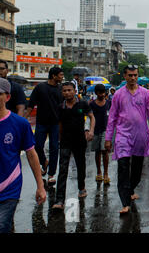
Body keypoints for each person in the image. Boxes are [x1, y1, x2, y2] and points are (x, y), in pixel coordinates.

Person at [105, 65, 149, 215]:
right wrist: (108, 137)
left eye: (135, 75)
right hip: (123, 136)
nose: (133, 78)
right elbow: (112, 117)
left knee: (137, 170)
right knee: (123, 167)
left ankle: (130, 189)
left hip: (140, 136)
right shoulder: (118, 94)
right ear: (125, 76)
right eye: (130, 75)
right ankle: (125, 203)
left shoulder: (145, 93)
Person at [0, 78, 46, 233]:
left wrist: (40, 186)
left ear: (7, 97)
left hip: (9, 185)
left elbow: (31, 155)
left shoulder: (20, 123)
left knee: (2, 225)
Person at [52, 82, 95, 210]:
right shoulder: (60, 107)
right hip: (65, 141)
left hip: (80, 140)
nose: (67, 93)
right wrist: (59, 138)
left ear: (74, 91)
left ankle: (81, 187)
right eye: (64, 91)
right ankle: (60, 200)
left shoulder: (82, 104)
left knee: (81, 166)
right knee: (63, 169)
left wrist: (91, 131)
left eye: (69, 90)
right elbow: (59, 124)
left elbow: (91, 117)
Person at [25, 67, 64, 185]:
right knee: (37, 146)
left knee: (54, 148)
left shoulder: (61, 89)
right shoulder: (40, 87)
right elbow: (31, 103)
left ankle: (51, 174)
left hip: (55, 124)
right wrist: (24, 118)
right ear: (53, 76)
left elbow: (63, 107)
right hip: (41, 123)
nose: (62, 77)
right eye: (60, 75)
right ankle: (44, 162)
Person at [89, 84, 112, 184]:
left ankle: (106, 173)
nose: (102, 95)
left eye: (103, 92)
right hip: (95, 130)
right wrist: (88, 130)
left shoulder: (109, 103)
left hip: (105, 130)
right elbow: (89, 117)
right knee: (97, 151)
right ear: (96, 93)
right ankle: (99, 172)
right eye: (100, 93)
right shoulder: (92, 104)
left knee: (104, 151)